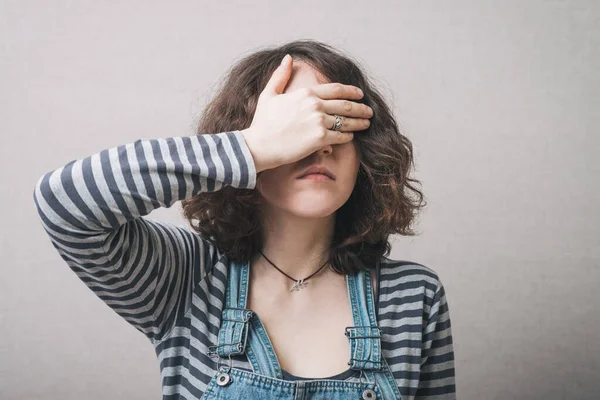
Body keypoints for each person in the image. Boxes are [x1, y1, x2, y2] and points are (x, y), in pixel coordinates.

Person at [33, 39, 456, 399]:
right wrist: (253, 147)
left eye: (336, 123)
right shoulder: (187, 279)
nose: (321, 144)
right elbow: (64, 200)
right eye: (298, 124)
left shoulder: (413, 296)